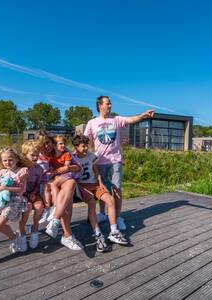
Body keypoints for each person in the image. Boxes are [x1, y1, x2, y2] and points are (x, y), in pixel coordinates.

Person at [84, 95, 154, 230]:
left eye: (110, 103)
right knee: (103, 190)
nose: (110, 106)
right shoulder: (92, 123)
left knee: (116, 189)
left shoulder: (116, 120)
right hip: (99, 161)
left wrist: (143, 115)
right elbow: (84, 140)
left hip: (115, 161)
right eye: (107, 104)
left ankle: (117, 217)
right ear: (100, 106)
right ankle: (103, 214)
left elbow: (131, 119)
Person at [73, 134, 128, 252]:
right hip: (83, 187)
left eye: (87, 146)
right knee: (92, 202)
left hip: (95, 184)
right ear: (76, 147)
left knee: (111, 200)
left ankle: (113, 231)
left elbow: (96, 171)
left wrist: (101, 184)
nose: (86, 148)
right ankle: (98, 235)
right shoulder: (73, 158)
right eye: (83, 146)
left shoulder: (91, 156)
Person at [35, 130, 84, 250]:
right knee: (68, 195)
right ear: (38, 145)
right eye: (44, 144)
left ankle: (56, 221)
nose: (47, 146)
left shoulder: (62, 150)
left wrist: (67, 168)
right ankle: (67, 234)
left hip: (62, 182)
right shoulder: (35, 154)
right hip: (45, 188)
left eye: (49, 142)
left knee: (70, 184)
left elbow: (79, 168)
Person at [0, 147, 28, 261]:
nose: (8, 162)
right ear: (1, 162)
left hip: (15, 201)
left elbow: (21, 190)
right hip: (1, 200)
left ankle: (13, 237)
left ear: (17, 159)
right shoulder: (2, 172)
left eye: (10, 159)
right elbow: (0, 187)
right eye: (5, 160)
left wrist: (5, 187)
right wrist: (2, 188)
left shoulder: (22, 171)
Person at [18, 141, 44, 251]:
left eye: (37, 155)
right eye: (32, 155)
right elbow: (18, 186)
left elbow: (38, 184)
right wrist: (27, 195)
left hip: (33, 193)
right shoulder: (20, 168)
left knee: (39, 206)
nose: (35, 157)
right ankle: (22, 232)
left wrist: (33, 193)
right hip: (21, 194)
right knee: (27, 207)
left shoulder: (39, 169)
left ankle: (35, 230)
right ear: (25, 155)